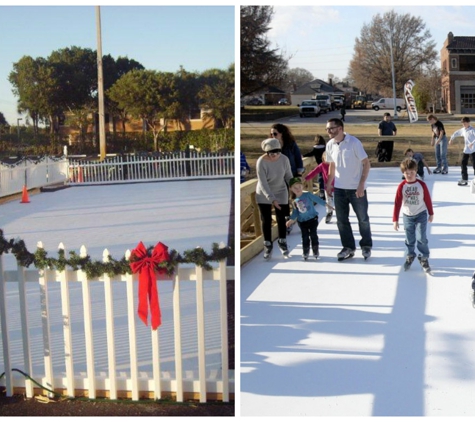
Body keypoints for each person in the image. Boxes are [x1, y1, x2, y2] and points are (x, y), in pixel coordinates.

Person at [325, 118, 373, 261]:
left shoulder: (354, 143)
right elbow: (332, 165)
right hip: (339, 189)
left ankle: (366, 245)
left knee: (363, 218)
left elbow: (366, 163)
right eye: (327, 129)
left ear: (340, 128)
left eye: (331, 128)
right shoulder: (330, 144)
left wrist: (361, 184)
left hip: (355, 188)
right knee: (341, 220)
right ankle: (348, 247)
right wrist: (329, 183)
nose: (328, 131)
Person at [393, 158, 434, 272]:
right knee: (409, 239)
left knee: (421, 238)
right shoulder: (402, 186)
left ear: (416, 171)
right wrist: (395, 219)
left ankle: (424, 257)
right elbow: (397, 203)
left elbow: (427, 199)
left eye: (412, 172)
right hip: (407, 216)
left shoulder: (421, 185)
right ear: (403, 173)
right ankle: (410, 255)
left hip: (421, 214)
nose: (409, 175)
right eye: (407, 173)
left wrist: (431, 213)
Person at [256, 137, 293, 260]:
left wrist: (295, 186)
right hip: (264, 192)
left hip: (281, 190)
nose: (275, 156)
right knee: (266, 219)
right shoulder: (261, 162)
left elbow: (288, 175)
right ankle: (267, 244)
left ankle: (282, 241)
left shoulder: (284, 159)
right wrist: (271, 199)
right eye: (272, 154)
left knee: (282, 217)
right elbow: (262, 183)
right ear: (267, 153)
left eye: (277, 153)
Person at [285, 177, 331, 260]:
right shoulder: (294, 201)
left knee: (313, 235)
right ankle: (305, 251)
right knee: (305, 236)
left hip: (312, 219)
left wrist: (326, 204)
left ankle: (315, 250)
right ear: (291, 189)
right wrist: (291, 219)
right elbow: (295, 212)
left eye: (299, 186)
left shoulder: (307, 195)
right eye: (295, 188)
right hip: (302, 222)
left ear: (302, 186)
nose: (298, 189)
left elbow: (317, 199)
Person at [304, 151, 334, 223]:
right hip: (327, 187)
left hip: (337, 187)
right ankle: (329, 213)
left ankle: (341, 216)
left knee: (339, 202)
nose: (328, 159)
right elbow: (314, 172)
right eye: (326, 157)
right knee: (329, 201)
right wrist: (306, 178)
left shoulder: (335, 165)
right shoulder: (322, 165)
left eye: (329, 157)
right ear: (323, 158)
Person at [448, 117, 475, 186]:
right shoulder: (463, 130)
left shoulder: (472, 130)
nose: (464, 125)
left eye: (465, 123)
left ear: (468, 122)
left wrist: (472, 143)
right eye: (463, 123)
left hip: (473, 150)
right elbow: (456, 133)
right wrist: (451, 139)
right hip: (466, 150)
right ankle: (464, 179)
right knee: (463, 164)